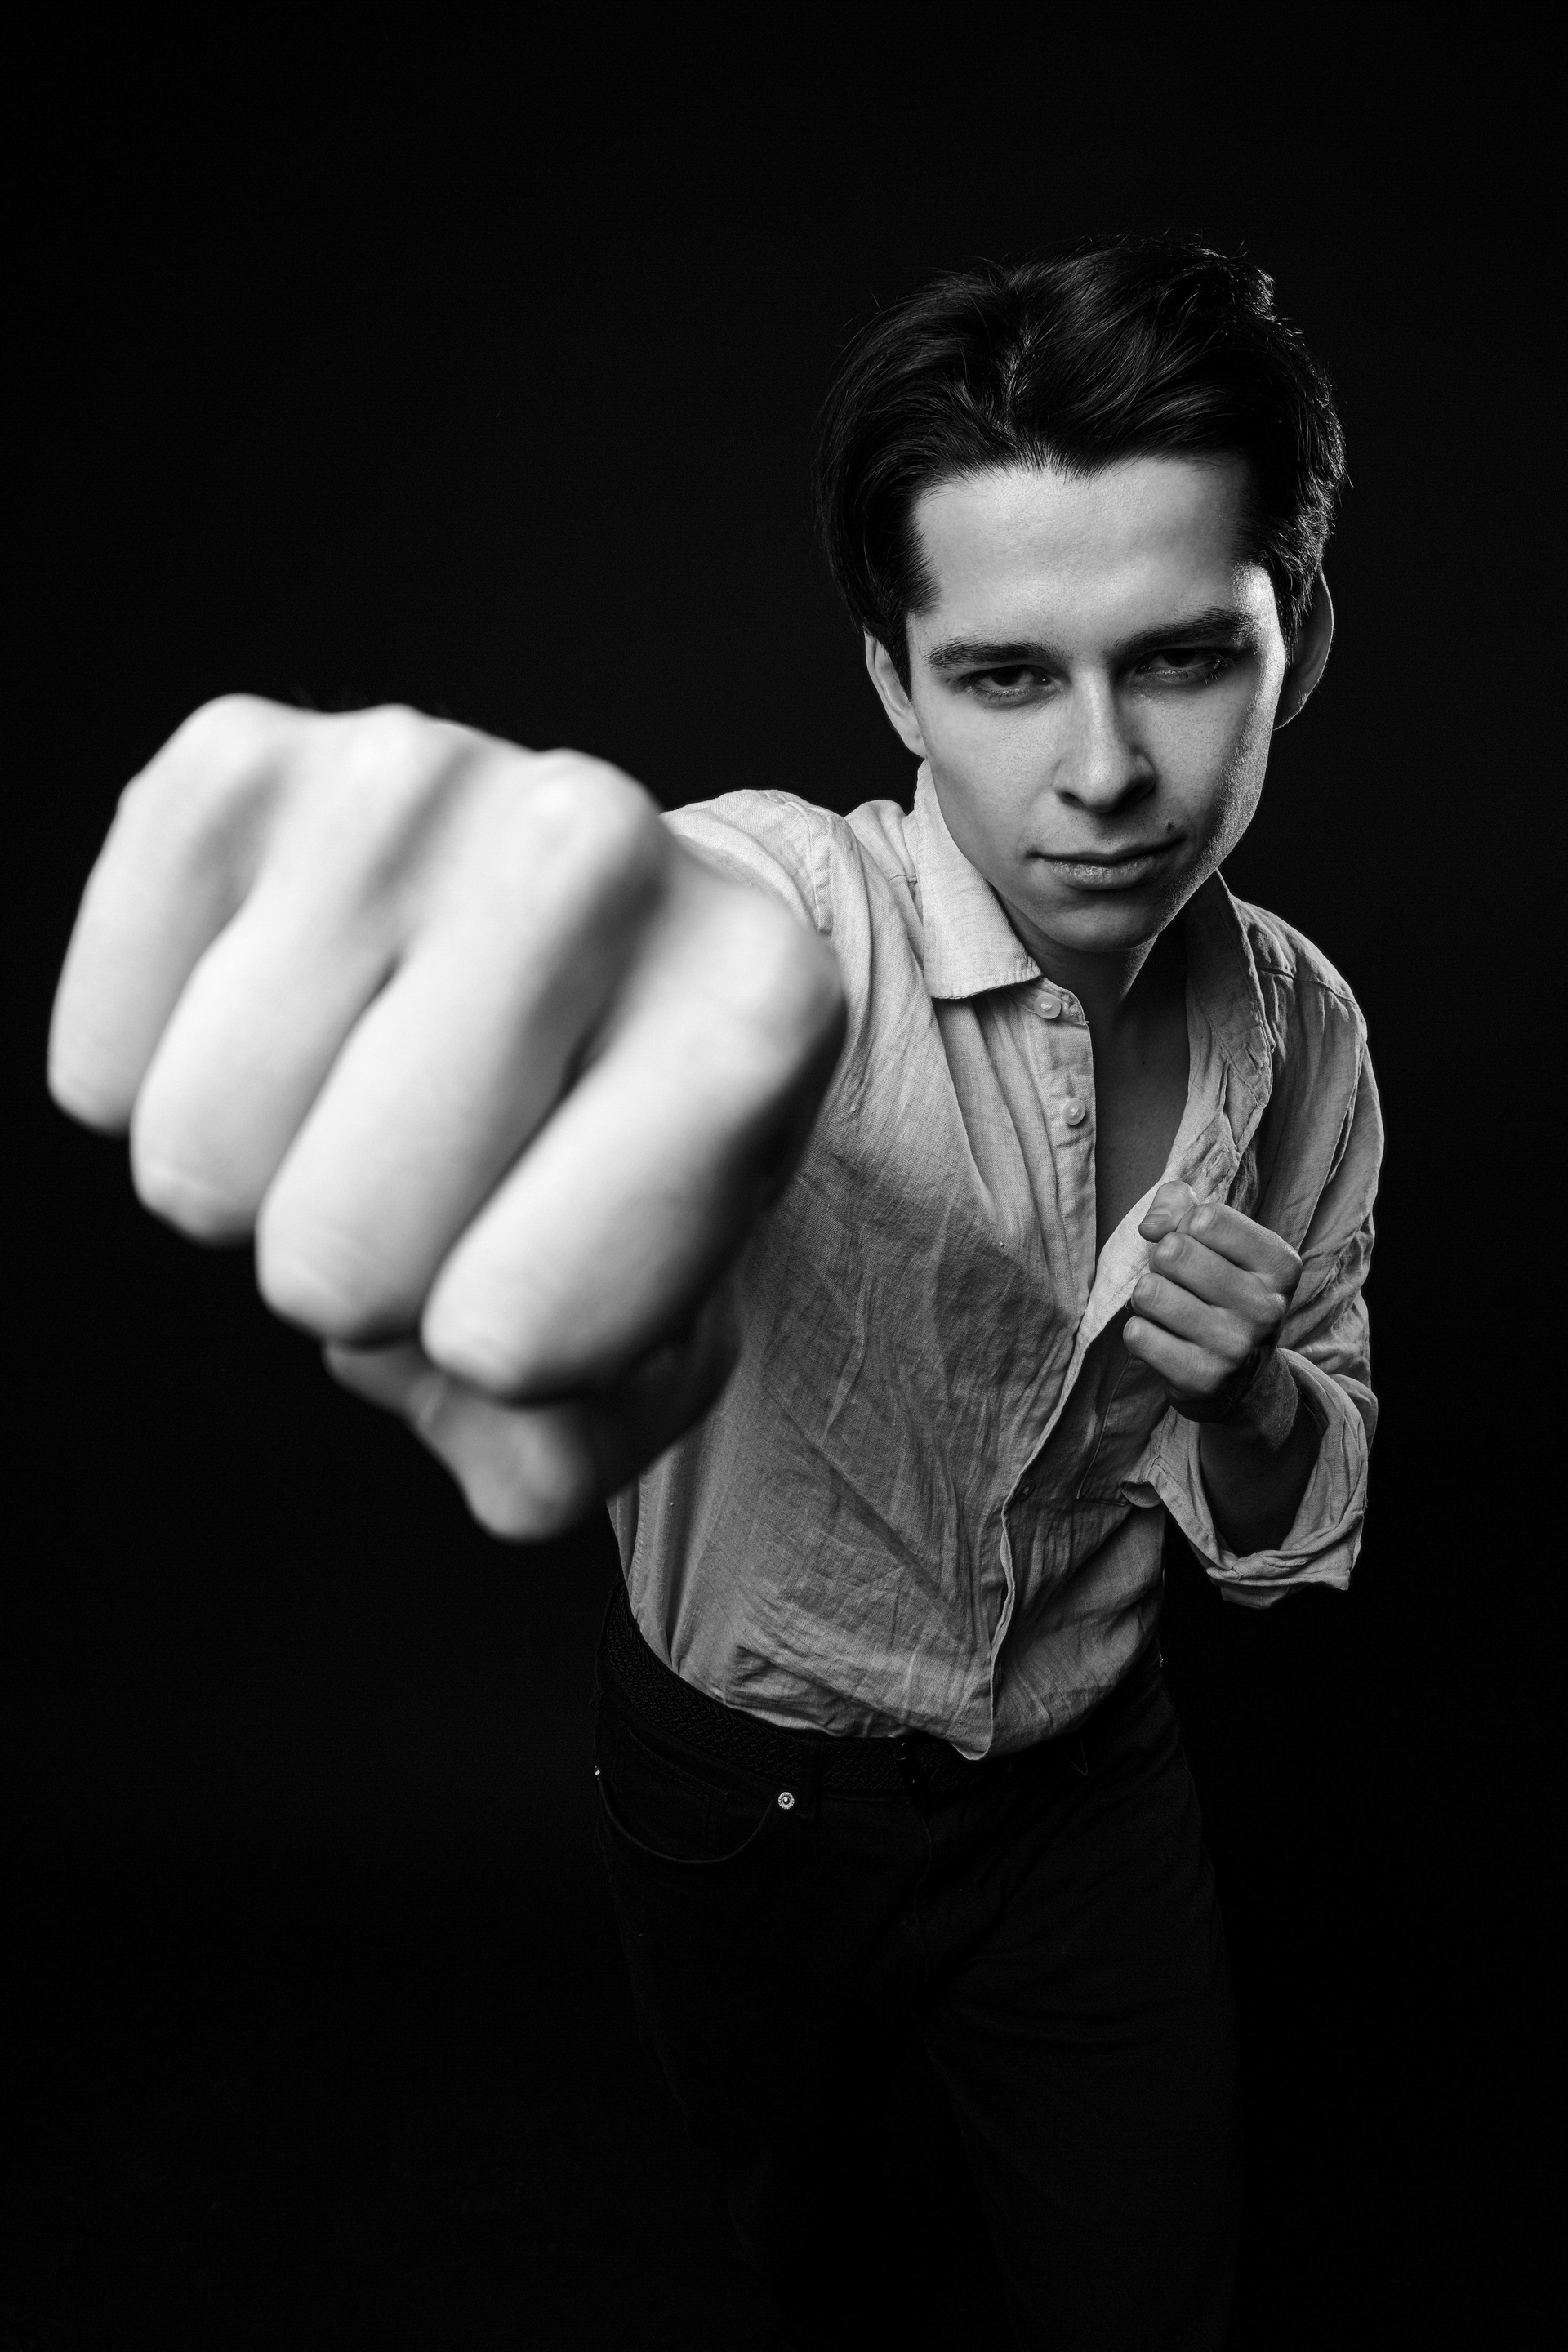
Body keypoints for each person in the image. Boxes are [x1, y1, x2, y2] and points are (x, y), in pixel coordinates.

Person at [48, 236, 1380, 2350]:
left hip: (1092, 1796)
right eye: (1006, 677)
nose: (1105, 769)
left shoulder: (1305, 1033)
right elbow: (673, 923)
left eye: (1180, 660)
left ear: (1293, 637)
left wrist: (1266, 1411)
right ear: (897, 688)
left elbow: (1309, 1497)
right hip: (746, 1802)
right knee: (808, 2275)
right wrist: (499, 935)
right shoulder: (786, 922)